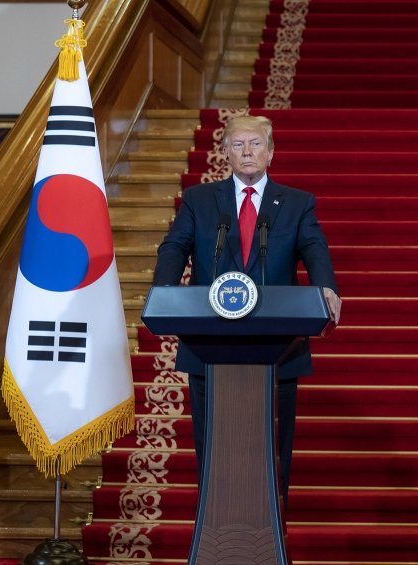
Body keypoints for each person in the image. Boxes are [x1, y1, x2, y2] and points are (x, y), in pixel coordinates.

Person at [152, 114, 341, 503]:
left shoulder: (297, 203)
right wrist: (164, 290)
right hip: (209, 345)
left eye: (256, 144)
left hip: (278, 346)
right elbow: (175, 246)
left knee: (274, 451)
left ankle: (271, 528)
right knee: (213, 447)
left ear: (270, 152)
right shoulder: (199, 200)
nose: (247, 152)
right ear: (225, 153)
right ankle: (215, 525)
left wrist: (326, 289)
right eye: (238, 144)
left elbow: (314, 249)